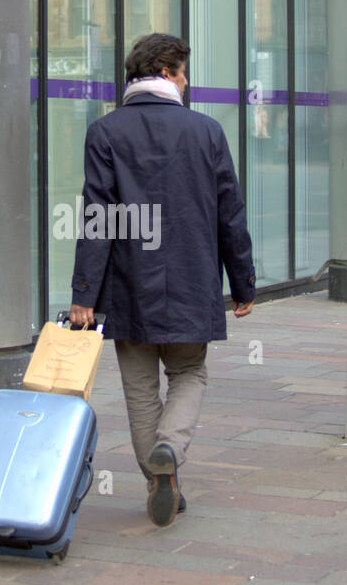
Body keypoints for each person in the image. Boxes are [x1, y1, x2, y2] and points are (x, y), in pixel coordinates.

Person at [69, 33, 255, 527]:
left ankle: (158, 480)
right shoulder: (206, 131)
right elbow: (229, 215)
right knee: (189, 373)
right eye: (184, 71)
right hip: (192, 280)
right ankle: (169, 451)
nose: (187, 81)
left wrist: (84, 294)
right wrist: (243, 283)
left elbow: (96, 217)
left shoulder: (105, 132)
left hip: (128, 284)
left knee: (139, 389)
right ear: (168, 71)